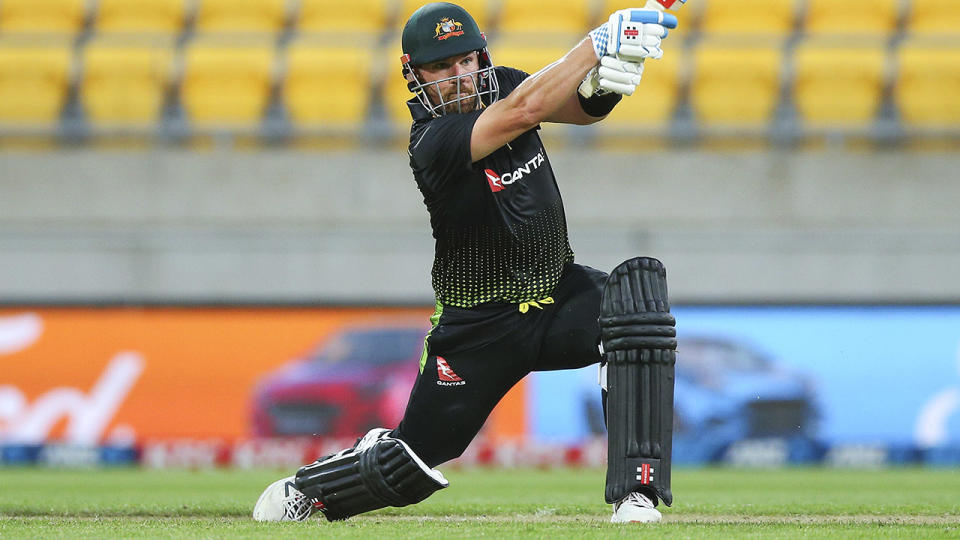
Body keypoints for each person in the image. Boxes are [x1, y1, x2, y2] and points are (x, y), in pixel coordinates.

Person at [253, 2, 678, 524]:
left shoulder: (503, 84)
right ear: (415, 75)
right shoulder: (432, 142)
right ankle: (310, 488)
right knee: (410, 466)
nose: (460, 76)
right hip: (479, 326)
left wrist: (605, 83)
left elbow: (577, 111)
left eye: (467, 61)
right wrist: (597, 44)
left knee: (636, 306)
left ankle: (637, 494)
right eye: (442, 67)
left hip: (556, 294)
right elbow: (525, 111)